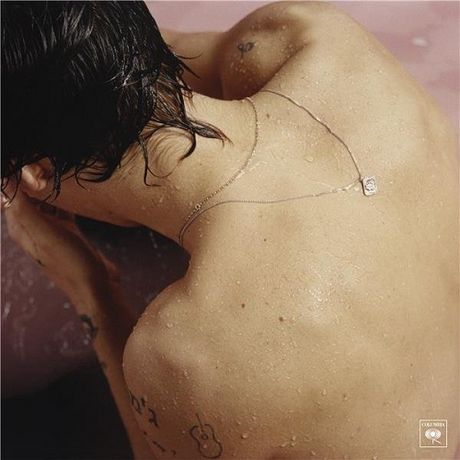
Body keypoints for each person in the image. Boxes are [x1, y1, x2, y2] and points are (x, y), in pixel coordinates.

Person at [2, 1, 458, 459]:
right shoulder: (311, 38)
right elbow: (96, 48)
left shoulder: (189, 354)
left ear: (37, 173)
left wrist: (90, 288)